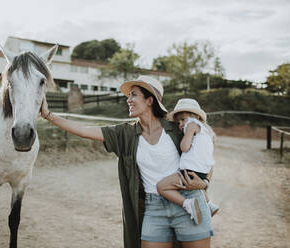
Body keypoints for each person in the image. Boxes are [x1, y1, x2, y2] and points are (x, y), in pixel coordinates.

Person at [41, 76, 214, 248]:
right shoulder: (125, 133)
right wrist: (48, 115)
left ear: (149, 100)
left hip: (189, 201)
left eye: (133, 95)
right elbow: (84, 131)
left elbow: (206, 153)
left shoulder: (176, 129)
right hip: (153, 208)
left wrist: (204, 182)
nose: (128, 99)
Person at [156, 98, 219, 225]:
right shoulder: (206, 133)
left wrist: (184, 138)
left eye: (183, 119)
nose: (181, 124)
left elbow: (184, 147)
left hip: (189, 172)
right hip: (202, 172)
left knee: (161, 187)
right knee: (198, 188)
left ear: (194, 116)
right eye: (178, 122)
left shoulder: (191, 125)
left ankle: (188, 204)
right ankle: (210, 205)